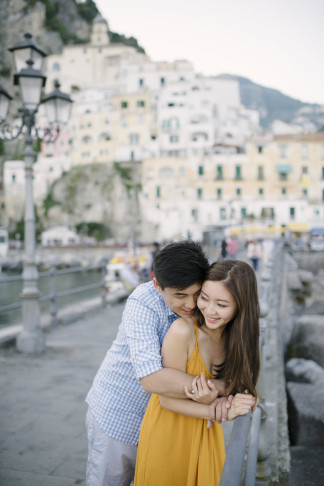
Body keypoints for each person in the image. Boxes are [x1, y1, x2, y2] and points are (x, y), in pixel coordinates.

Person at [86, 240, 229, 486]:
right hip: (119, 414)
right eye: (180, 296)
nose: (192, 305)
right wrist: (221, 388)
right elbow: (151, 378)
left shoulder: (205, 302)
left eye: (197, 294)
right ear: (157, 285)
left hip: (166, 421)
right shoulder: (142, 303)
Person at [134, 259, 260, 485]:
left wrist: (230, 398)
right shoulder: (182, 331)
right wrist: (218, 409)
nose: (209, 310)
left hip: (206, 435)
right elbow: (166, 401)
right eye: (204, 298)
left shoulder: (238, 339)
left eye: (221, 305)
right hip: (169, 435)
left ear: (241, 306)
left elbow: (245, 387)